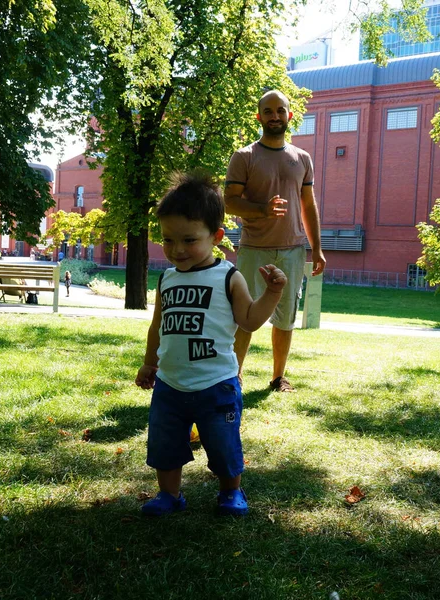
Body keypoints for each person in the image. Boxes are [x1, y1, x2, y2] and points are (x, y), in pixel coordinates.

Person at [135, 170, 287, 517]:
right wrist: (149, 362)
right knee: (165, 443)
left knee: (223, 444)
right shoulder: (167, 278)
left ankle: (230, 491)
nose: (177, 249)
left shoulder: (228, 276)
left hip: (216, 384)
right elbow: (158, 324)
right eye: (168, 240)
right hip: (170, 384)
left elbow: (249, 320)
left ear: (217, 236)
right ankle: (169, 494)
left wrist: (273, 293)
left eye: (189, 240)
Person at [224, 89, 326, 393]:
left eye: (280, 110)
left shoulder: (302, 158)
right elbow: (229, 202)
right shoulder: (244, 156)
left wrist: (317, 248)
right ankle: (234, 376)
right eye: (268, 111)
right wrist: (261, 210)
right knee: (245, 316)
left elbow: (308, 205)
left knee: (286, 317)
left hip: (293, 250)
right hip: (255, 249)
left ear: (289, 116)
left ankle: (278, 377)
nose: (274, 116)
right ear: (259, 117)